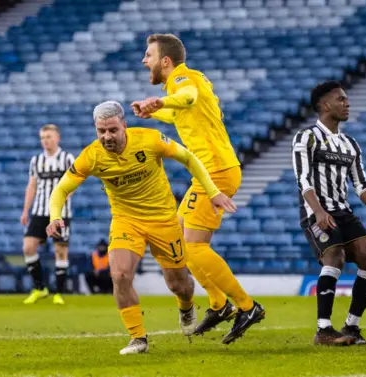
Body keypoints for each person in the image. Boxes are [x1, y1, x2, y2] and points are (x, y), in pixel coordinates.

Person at [46, 101, 237, 355]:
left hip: (164, 220)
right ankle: (138, 338)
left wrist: (212, 192)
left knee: (180, 284)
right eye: (101, 131)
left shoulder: (150, 140)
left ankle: (186, 305)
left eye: (112, 130)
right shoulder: (92, 156)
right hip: (126, 221)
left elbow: (189, 158)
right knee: (120, 275)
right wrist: (54, 216)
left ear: (124, 125)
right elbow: (61, 189)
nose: (107, 136)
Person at [131, 33, 264, 344]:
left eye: (148, 55)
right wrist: (156, 111)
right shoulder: (189, 78)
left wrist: (160, 101)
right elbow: (184, 110)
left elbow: (187, 98)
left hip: (215, 171)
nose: (143, 60)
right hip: (212, 170)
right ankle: (219, 305)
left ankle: (247, 306)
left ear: (165, 61)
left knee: (193, 246)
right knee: (180, 238)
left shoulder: (181, 79)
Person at [292, 81, 366, 346]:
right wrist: (318, 211)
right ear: (324, 105)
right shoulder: (306, 137)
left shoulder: (350, 144)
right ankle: (323, 330)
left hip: (342, 210)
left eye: (347, 99)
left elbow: (361, 183)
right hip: (316, 211)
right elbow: (303, 180)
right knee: (335, 256)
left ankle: (352, 327)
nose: (347, 103)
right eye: (341, 99)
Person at [20, 124, 74, 305]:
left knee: (60, 250)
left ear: (57, 138)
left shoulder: (67, 159)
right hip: (39, 211)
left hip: (60, 212)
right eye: (43, 138)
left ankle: (58, 292)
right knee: (28, 247)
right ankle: (39, 288)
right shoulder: (36, 161)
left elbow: (73, 184)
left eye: (49, 137)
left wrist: (62, 202)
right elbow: (32, 186)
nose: (45, 141)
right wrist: (25, 210)